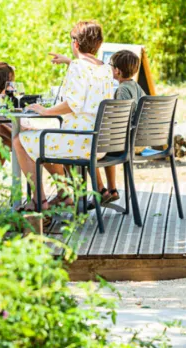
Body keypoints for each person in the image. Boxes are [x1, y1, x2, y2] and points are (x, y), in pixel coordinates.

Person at [12, 21, 116, 211]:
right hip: (99, 143)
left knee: (20, 141)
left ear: (75, 43)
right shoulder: (106, 68)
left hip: (80, 142)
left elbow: (72, 104)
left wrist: (45, 111)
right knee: (39, 135)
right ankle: (63, 195)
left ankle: (39, 202)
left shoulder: (77, 66)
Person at [93, 49, 145, 206]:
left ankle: (101, 191)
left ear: (117, 71)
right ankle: (112, 189)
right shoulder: (136, 86)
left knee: (87, 149)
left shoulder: (122, 90)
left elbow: (120, 119)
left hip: (124, 143)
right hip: (136, 141)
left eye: (110, 65)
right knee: (102, 143)